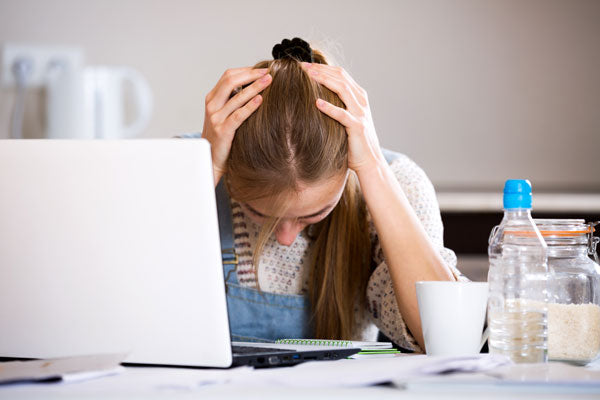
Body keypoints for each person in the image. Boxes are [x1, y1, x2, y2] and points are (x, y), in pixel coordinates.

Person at [198, 38, 464, 352]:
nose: (285, 238)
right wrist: (203, 168)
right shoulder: (198, 168)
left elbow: (447, 336)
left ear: (347, 168)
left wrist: (373, 168)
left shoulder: (396, 181)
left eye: (312, 214)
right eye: (260, 214)